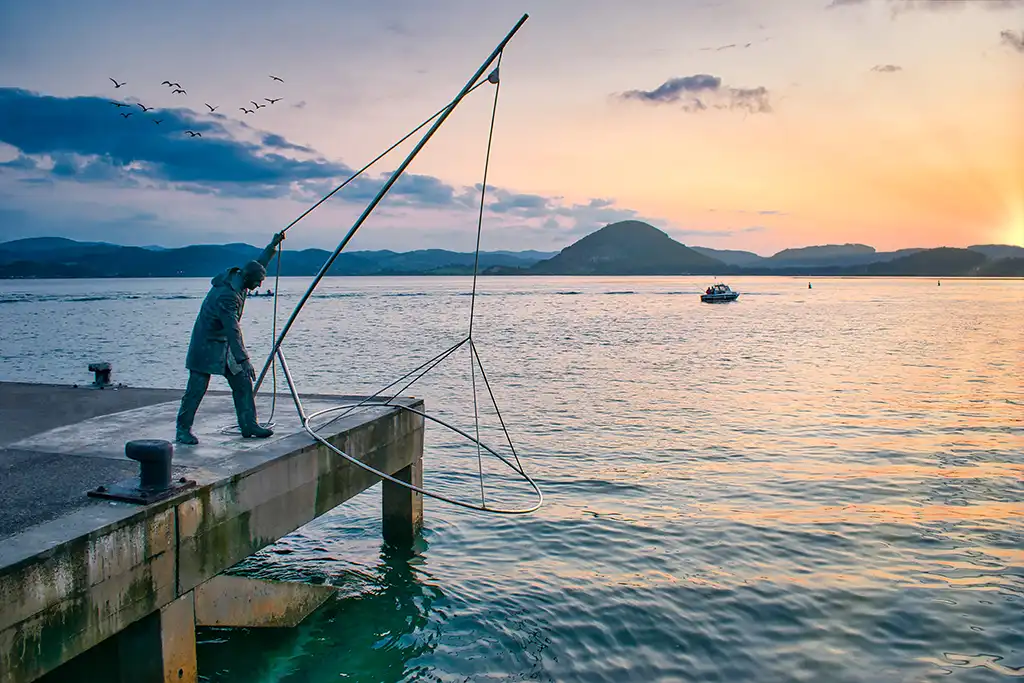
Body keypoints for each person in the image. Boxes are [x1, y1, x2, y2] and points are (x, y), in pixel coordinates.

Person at [175, 232, 285, 445]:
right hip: (206, 345)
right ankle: (182, 429)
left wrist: (273, 245)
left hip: (224, 346)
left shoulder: (242, 279)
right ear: (248, 279)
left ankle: (249, 424)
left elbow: (259, 263)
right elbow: (232, 330)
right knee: (196, 389)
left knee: (243, 383)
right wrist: (244, 359)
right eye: (258, 282)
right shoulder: (228, 296)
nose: (260, 286)